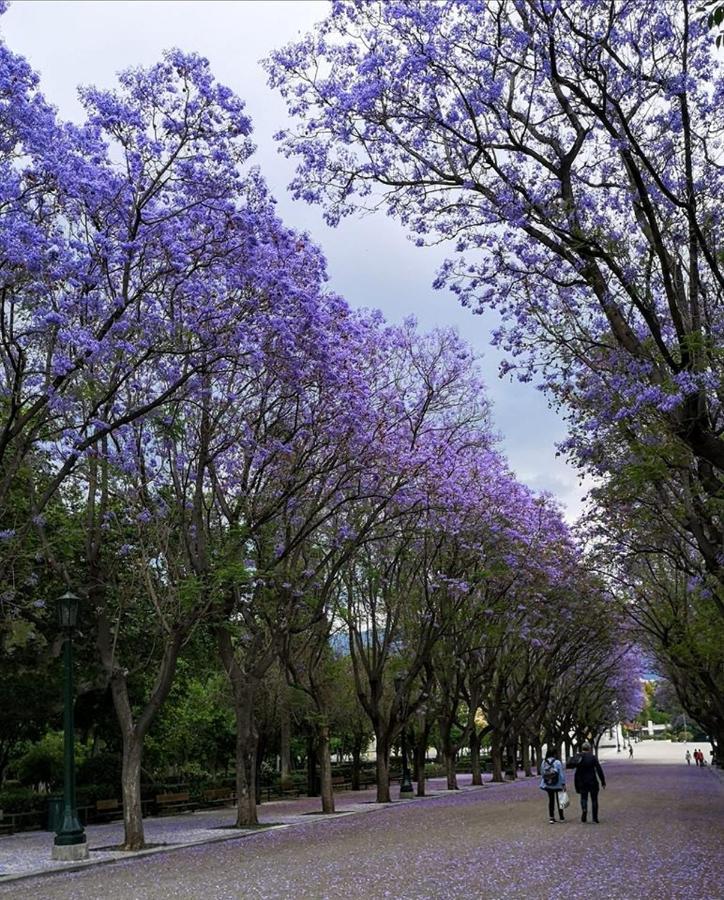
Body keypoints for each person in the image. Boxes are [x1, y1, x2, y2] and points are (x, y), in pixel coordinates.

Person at [574, 741, 606, 823]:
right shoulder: (593, 757)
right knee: (594, 800)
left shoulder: (578, 757)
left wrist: (576, 783)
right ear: (589, 748)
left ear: (582, 748)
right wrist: (603, 781)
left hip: (582, 781)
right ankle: (595, 818)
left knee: (583, 798)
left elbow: (576, 772)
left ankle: (584, 809)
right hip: (592, 781)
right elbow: (599, 770)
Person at [539, 748, 566, 823]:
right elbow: (561, 774)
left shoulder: (544, 762)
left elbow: (542, 772)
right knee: (560, 801)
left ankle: (551, 817)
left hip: (548, 784)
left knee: (551, 801)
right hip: (557, 784)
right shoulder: (557, 762)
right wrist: (563, 783)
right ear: (554, 754)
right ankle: (561, 817)